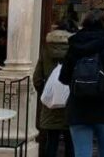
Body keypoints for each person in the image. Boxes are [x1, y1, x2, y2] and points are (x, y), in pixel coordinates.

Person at [59, 8, 104, 157]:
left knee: (82, 153)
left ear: (84, 22)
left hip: (78, 108)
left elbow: (63, 77)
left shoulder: (75, 45)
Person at [33, 18, 77, 157]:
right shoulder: (75, 49)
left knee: (51, 141)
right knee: (71, 142)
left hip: (50, 104)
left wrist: (46, 93)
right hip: (71, 103)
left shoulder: (46, 49)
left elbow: (37, 78)